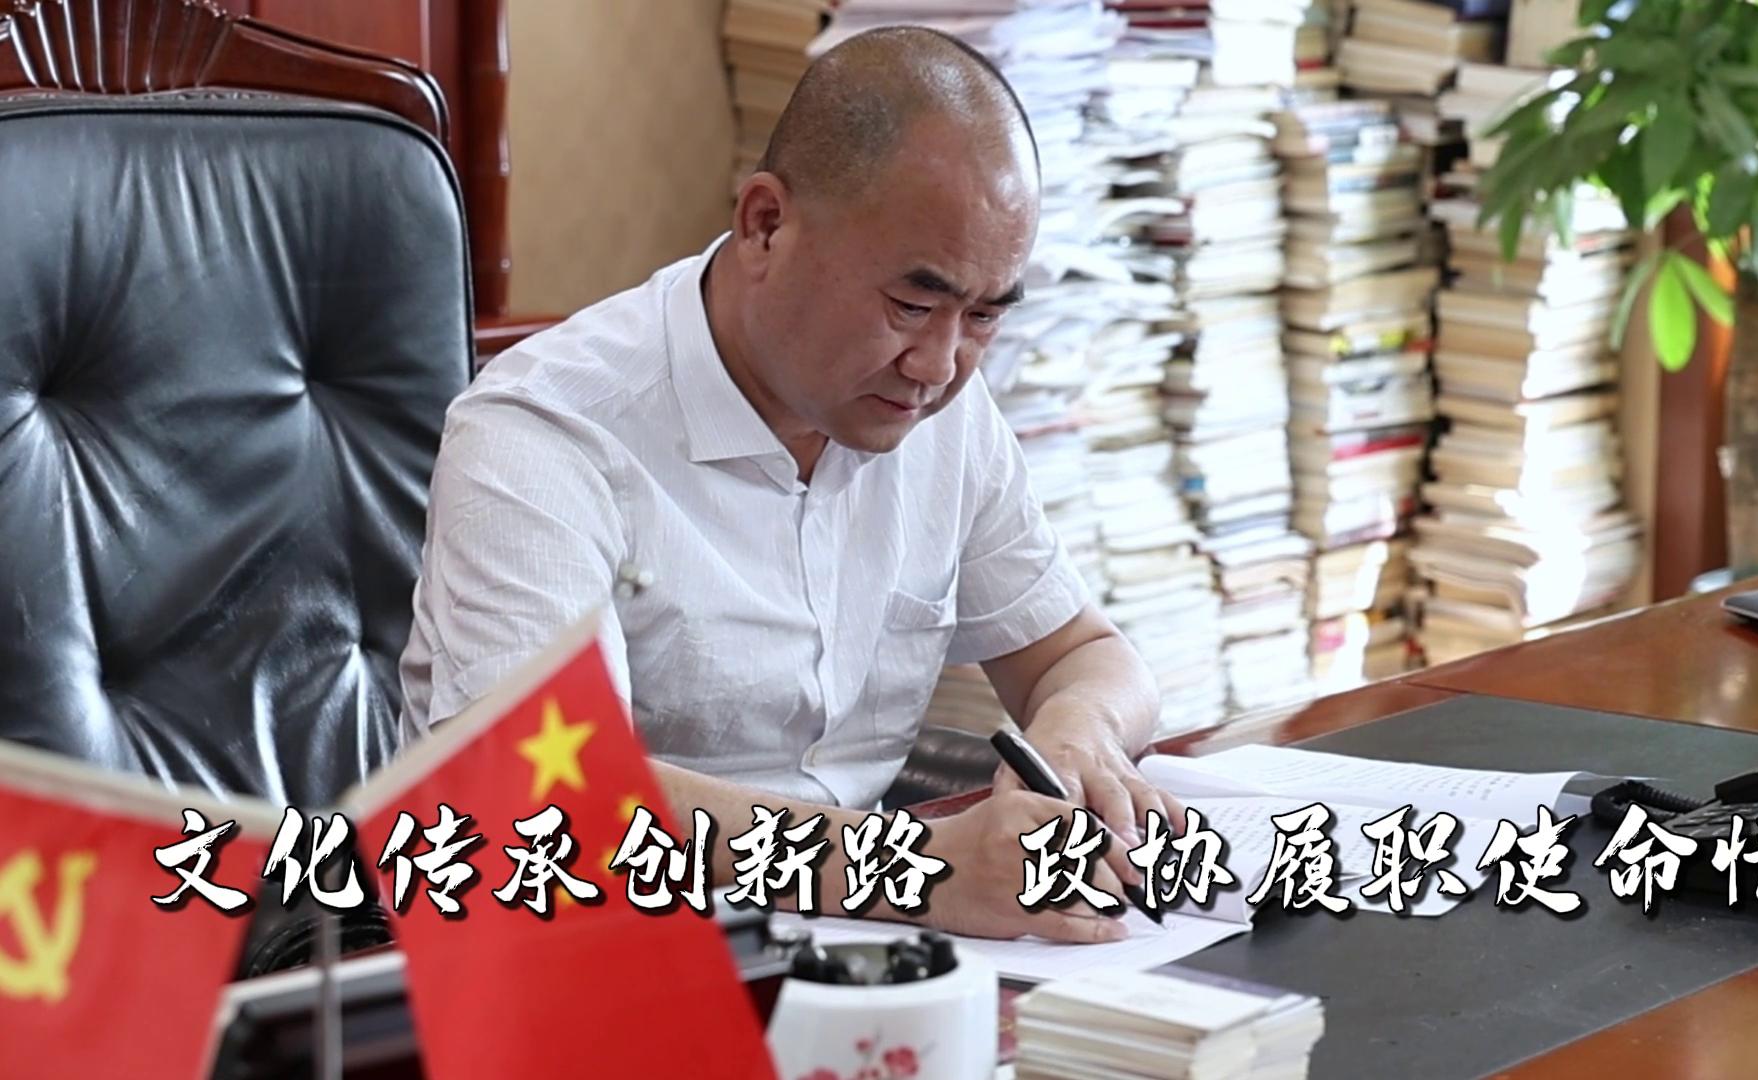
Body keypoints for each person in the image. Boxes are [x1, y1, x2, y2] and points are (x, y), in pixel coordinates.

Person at [400, 26, 1181, 942]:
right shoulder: (546, 430)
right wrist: (921, 871)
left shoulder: (935, 408)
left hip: (853, 940)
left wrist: (1078, 732)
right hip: (580, 945)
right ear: (766, 224)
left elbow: (1081, 652)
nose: (939, 365)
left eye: (982, 317)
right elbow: (545, 798)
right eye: (911, 305)